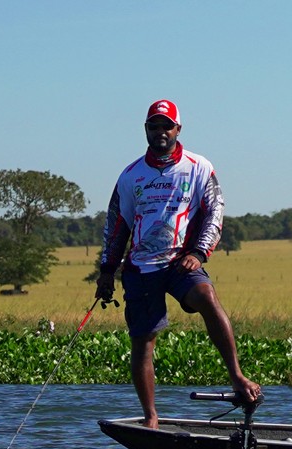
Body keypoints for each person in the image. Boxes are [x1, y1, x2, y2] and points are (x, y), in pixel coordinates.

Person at [95, 99, 261, 428]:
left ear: (178, 129)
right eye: (153, 126)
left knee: (207, 297)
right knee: (143, 340)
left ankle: (238, 376)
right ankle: (151, 418)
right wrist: (106, 271)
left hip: (181, 263)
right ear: (146, 130)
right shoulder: (131, 176)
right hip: (141, 268)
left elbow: (215, 210)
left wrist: (198, 253)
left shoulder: (198, 167)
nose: (160, 132)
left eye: (166, 126)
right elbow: (117, 225)